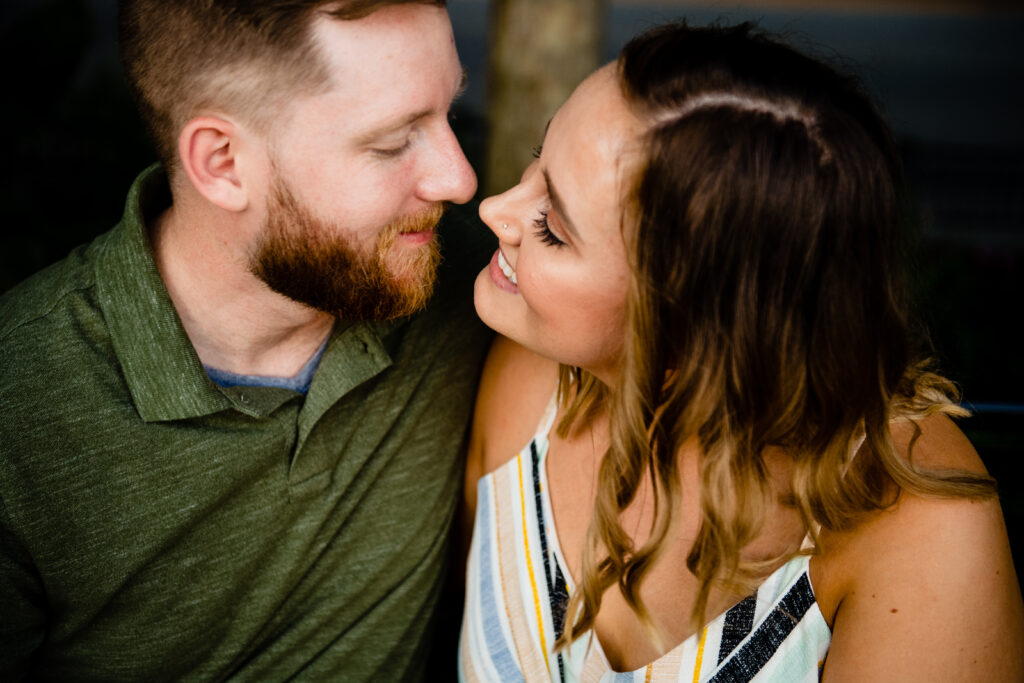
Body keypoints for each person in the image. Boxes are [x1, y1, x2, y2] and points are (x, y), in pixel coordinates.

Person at [460, 22, 1024, 682]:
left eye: (553, 229)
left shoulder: (922, 534)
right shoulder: (527, 383)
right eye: (537, 156)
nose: (495, 208)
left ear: (695, 329)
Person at [0, 0, 493, 679]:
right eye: (391, 142)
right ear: (224, 162)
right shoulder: (18, 407)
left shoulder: (470, 279)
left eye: (450, 114)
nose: (460, 179)